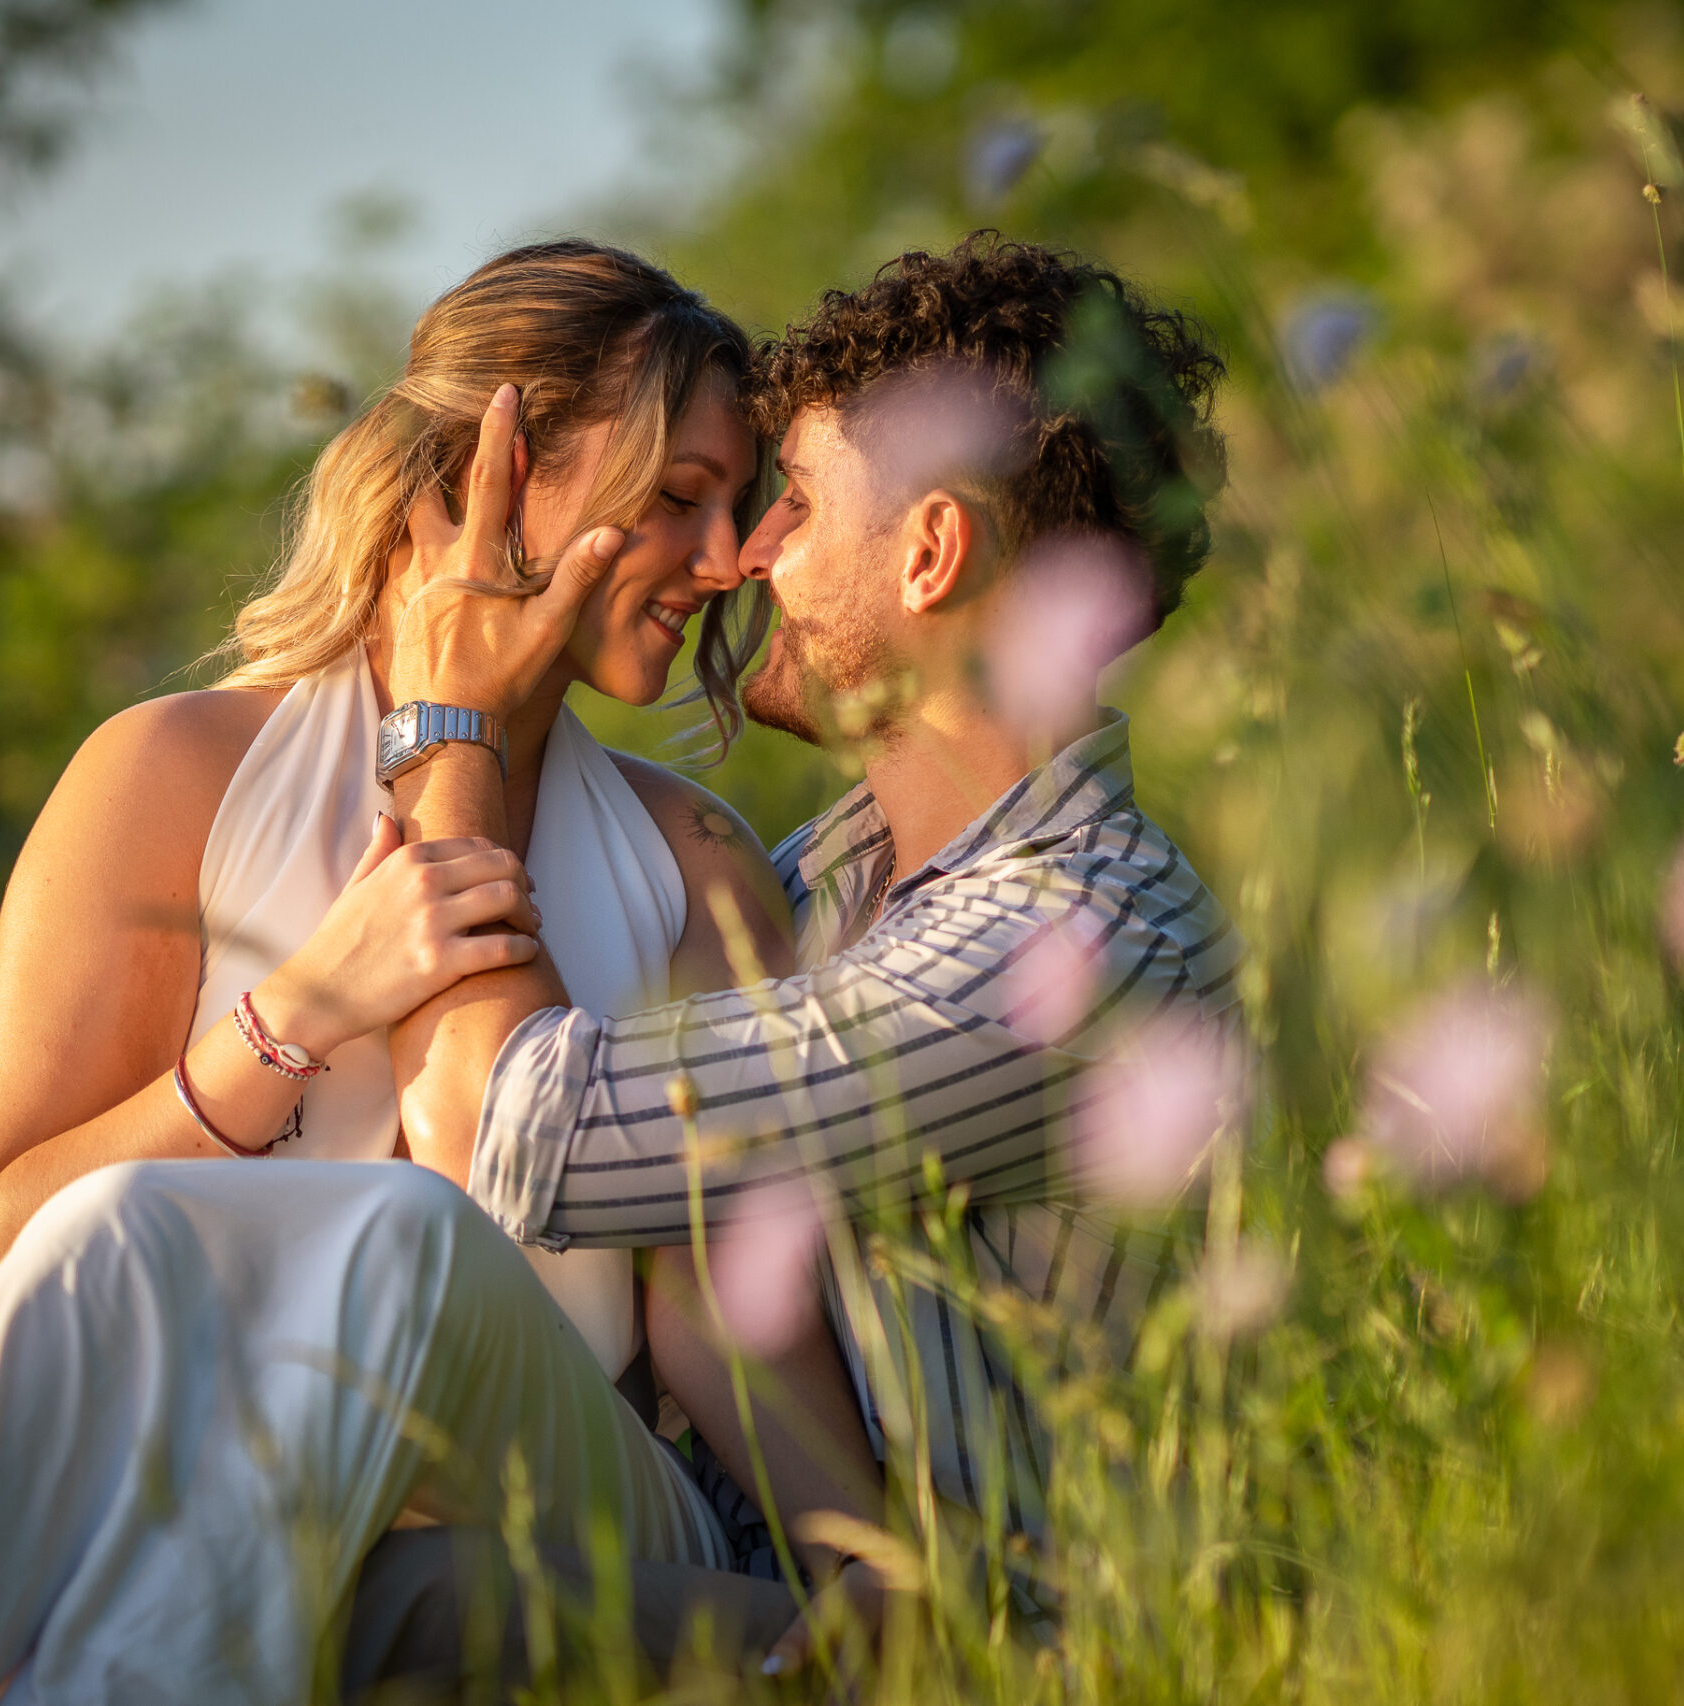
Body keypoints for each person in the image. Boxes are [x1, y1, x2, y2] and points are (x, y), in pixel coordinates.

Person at [0, 241, 821, 1703]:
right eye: (675, 498)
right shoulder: (166, 775)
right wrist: (299, 1015)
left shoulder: (692, 857)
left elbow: (721, 1308)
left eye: (737, 507)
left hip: (570, 1478)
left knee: (394, 1231)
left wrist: (881, 1566)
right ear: (491, 473)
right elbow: (7, 1263)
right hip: (211, 1488)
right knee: (130, 1228)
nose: (723, 563)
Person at [379, 233, 1245, 1660]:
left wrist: (449, 732)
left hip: (1011, 1661)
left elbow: (521, 1123)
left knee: (377, 1630)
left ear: (930, 550)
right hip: (803, 1593)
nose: (745, 557)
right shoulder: (809, 886)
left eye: (792, 501)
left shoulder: (1069, 948)